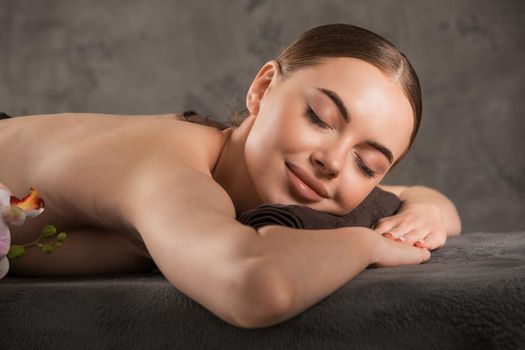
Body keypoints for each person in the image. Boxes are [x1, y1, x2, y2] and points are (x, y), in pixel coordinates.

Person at [0, 23, 461, 328]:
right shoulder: (165, 169)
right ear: (263, 89)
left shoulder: (260, 171)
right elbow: (252, 286)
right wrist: (369, 245)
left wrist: (424, 212)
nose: (334, 162)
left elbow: (421, 197)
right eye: (319, 118)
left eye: (368, 164)